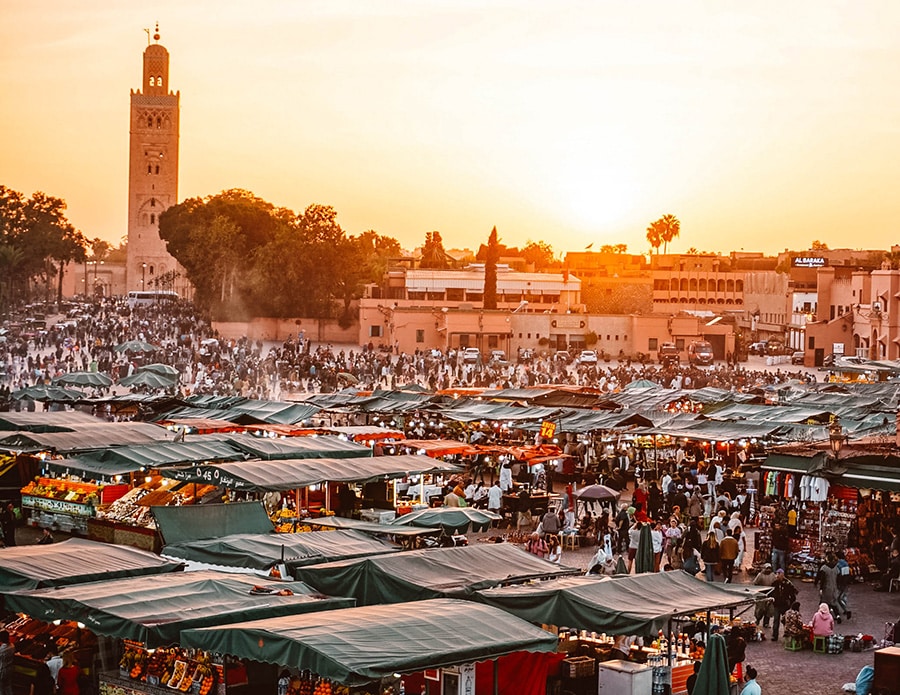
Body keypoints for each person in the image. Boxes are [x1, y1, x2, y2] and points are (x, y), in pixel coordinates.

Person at [770, 569, 798, 641]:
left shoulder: (788, 583)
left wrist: (790, 602)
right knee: (776, 620)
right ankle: (775, 635)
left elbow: (793, 593)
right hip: (777, 604)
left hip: (785, 605)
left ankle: (787, 634)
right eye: (777, 574)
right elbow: (770, 592)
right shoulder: (774, 583)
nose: (777, 576)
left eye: (779, 575)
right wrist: (772, 599)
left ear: (782, 575)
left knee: (786, 620)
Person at [816, 553, 841, 622]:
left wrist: (820, 588)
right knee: (833, 603)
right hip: (834, 588)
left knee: (824, 602)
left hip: (826, 588)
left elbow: (822, 579)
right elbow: (839, 578)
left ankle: (822, 616)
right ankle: (838, 615)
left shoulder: (824, 568)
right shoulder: (836, 568)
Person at [752, 563, 777, 629]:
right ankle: (757, 620)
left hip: (770, 594)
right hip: (761, 594)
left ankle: (766, 623)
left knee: (768, 610)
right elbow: (755, 583)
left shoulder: (773, 575)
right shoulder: (760, 575)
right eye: (767, 568)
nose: (768, 570)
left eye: (769, 568)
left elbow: (775, 584)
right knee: (760, 609)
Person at [0, 631, 13, 695]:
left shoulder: (2, 650)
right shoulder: (12, 646)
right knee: (8, 686)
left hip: (2, 670)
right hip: (9, 669)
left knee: (1, 688)